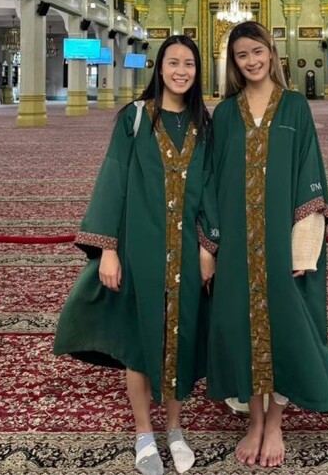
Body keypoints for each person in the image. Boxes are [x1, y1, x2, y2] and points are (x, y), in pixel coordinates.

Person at [54, 35, 218, 475]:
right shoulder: (135, 117)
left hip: (186, 251)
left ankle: (175, 429)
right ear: (159, 68)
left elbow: (210, 188)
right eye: (173, 62)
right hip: (139, 247)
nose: (181, 71)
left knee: (180, 337)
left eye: (189, 64)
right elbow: (114, 179)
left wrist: (208, 246)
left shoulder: (203, 123)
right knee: (139, 338)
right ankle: (145, 432)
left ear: (197, 70)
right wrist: (107, 249)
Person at [207, 21, 328, 468]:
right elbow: (210, 183)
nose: (252, 61)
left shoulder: (295, 107)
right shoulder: (225, 114)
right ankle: (254, 420)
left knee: (287, 324)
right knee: (239, 324)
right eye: (242, 55)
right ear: (233, 62)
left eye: (257, 51)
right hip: (236, 245)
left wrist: (304, 246)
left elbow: (309, 173)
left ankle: (276, 421)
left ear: (271, 52)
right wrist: (210, 246)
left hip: (284, 244)